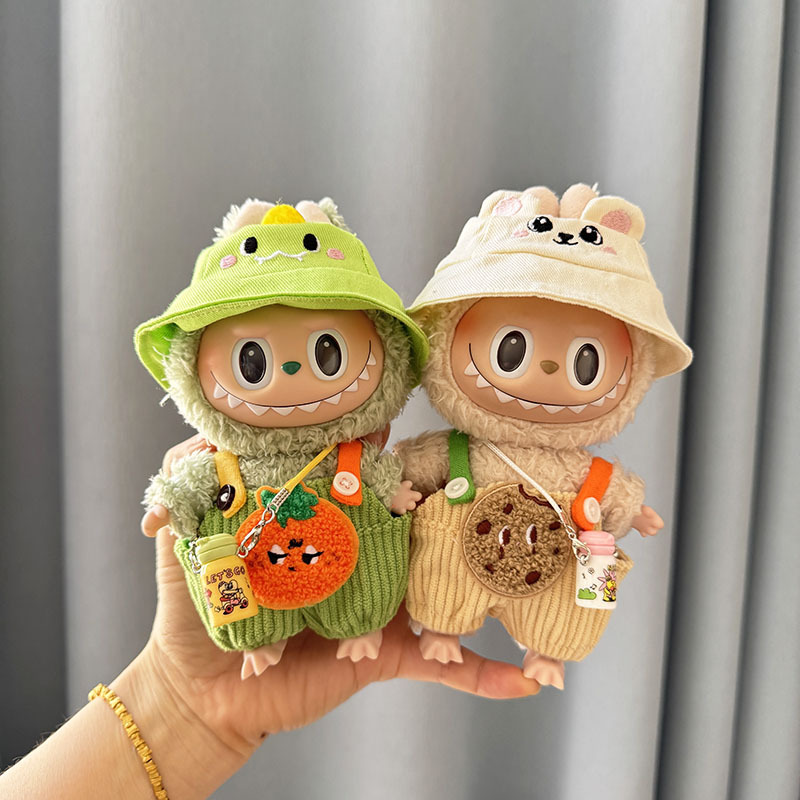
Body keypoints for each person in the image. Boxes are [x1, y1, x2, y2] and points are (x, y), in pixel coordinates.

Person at [1, 436, 540, 800]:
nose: (291, 373)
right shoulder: (221, 467)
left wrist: (391, 492)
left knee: (364, 601)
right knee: (259, 626)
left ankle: (356, 624)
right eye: (255, 361)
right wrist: (180, 701)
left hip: (346, 573)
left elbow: (383, 474)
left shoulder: (349, 455)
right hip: (261, 588)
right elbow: (181, 489)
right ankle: (265, 639)